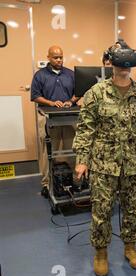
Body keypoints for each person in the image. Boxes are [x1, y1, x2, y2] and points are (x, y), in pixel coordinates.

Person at [73, 41, 136, 276]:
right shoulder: (96, 93)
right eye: (119, 65)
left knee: (133, 209)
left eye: (128, 66)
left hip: (133, 163)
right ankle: (101, 252)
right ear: (110, 64)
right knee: (101, 210)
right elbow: (85, 129)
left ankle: (130, 247)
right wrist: (82, 160)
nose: (124, 70)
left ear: (132, 66)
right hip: (103, 163)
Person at [31, 45, 79, 198]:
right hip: (48, 118)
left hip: (69, 118)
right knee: (47, 152)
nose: (59, 60)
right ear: (48, 57)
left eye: (61, 57)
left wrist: (71, 101)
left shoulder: (71, 74)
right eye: (55, 57)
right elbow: (35, 96)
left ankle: (75, 181)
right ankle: (47, 184)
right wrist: (51, 103)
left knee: (73, 149)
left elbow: (78, 92)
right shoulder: (40, 75)